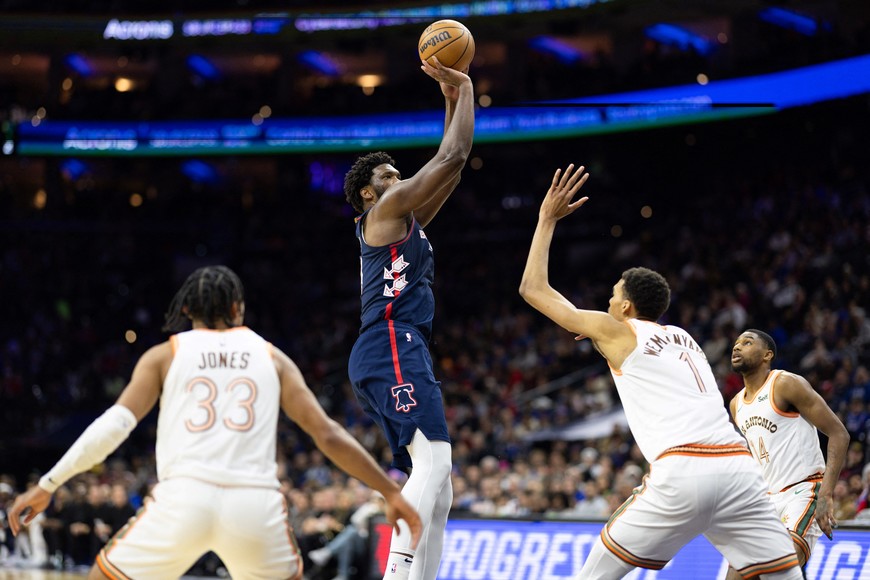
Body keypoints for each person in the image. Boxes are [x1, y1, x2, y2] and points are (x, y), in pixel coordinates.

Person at [8, 265, 421, 580]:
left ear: (186, 308)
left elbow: (113, 427)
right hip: (255, 506)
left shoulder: (165, 354)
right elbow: (326, 434)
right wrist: (389, 491)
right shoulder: (272, 357)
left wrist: (48, 485)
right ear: (239, 308)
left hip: (182, 499)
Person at [519, 164, 802, 579]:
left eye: (613, 297)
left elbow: (533, 289)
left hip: (684, 470)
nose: (609, 302)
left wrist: (546, 219)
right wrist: (603, 340)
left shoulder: (616, 328)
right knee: (784, 577)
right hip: (739, 469)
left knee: (593, 575)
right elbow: (644, 363)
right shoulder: (684, 338)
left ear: (627, 307)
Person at [342, 56, 474, 580]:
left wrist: (447, 99)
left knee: (440, 486)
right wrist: (463, 86)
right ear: (370, 193)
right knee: (436, 462)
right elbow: (455, 151)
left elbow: (454, 167)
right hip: (390, 340)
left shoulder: (403, 221)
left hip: (395, 344)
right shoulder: (383, 210)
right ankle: (397, 572)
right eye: (389, 175)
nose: (399, 179)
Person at [727, 329, 849, 578]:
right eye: (736, 343)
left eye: (747, 343)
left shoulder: (785, 384)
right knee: (737, 573)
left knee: (778, 568)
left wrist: (826, 494)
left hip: (803, 491)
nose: (737, 347)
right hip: (767, 498)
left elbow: (839, 434)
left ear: (767, 355)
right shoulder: (736, 404)